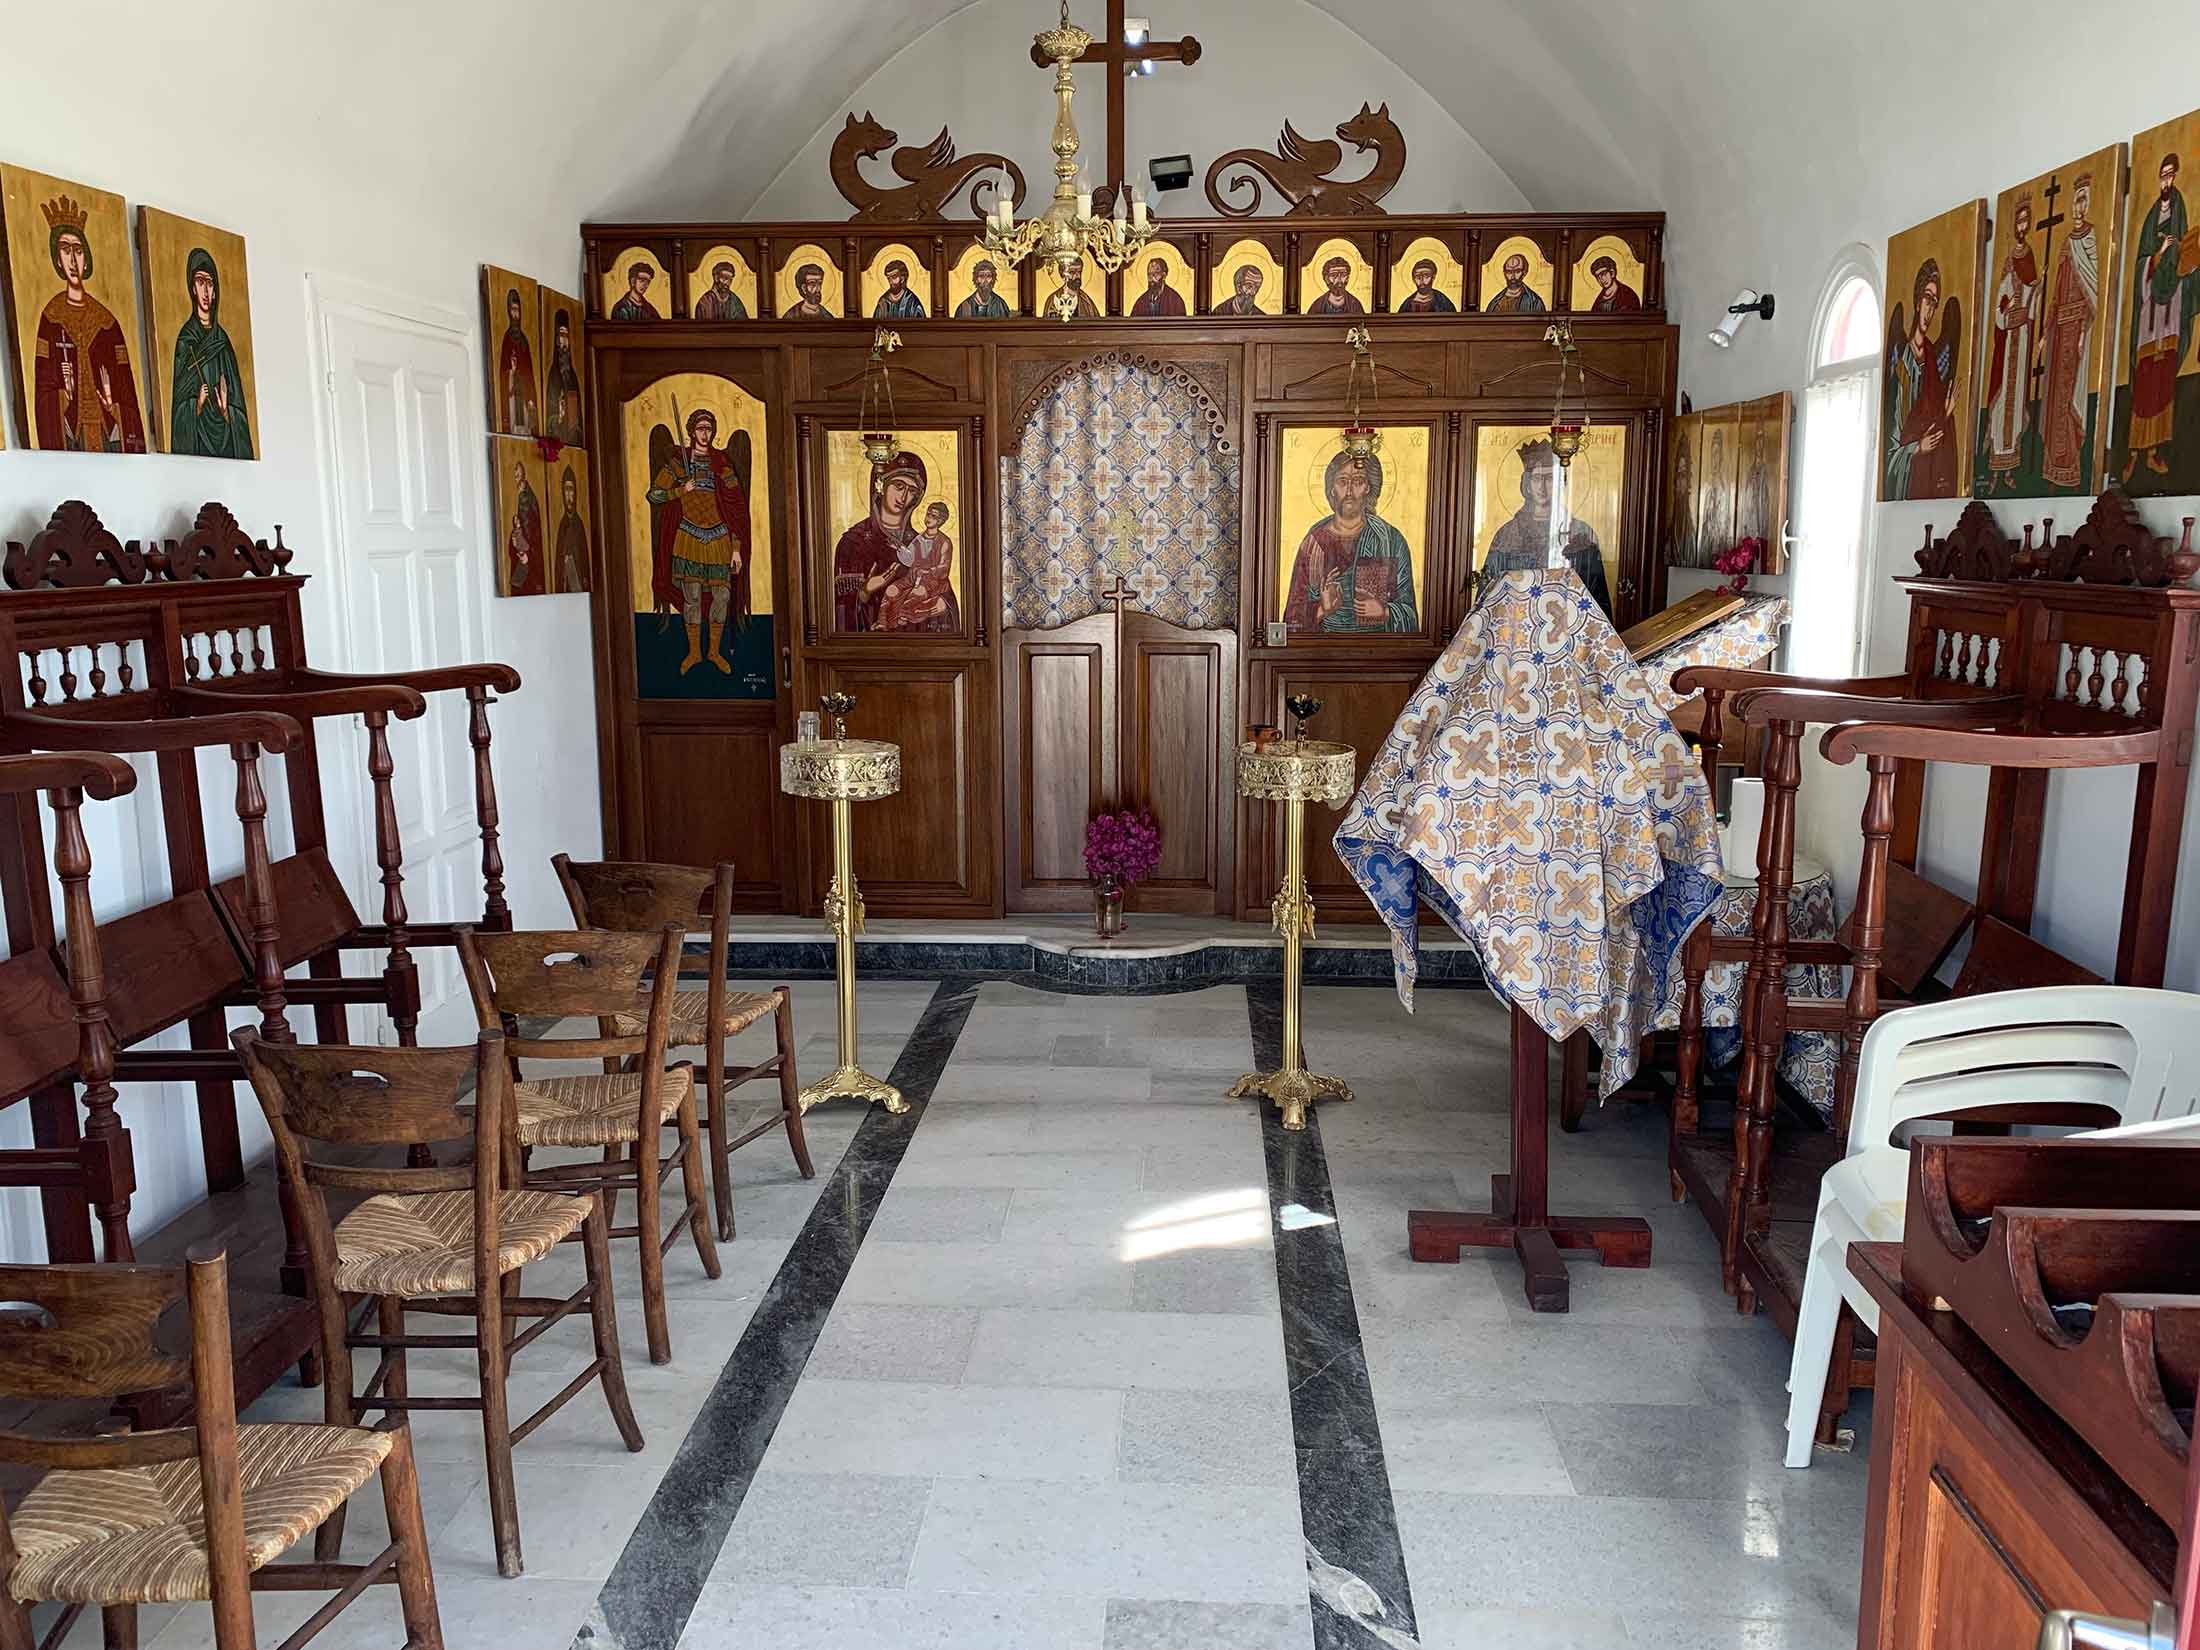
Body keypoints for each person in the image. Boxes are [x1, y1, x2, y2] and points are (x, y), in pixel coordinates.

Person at [31, 194, 145, 452]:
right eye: (65, 250)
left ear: (87, 258)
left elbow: (126, 394)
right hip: (73, 430)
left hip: (107, 430)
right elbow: (43, 393)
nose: (73, 260)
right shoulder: (52, 317)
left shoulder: (106, 321)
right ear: (57, 258)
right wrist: (65, 397)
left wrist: (111, 403)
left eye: (79, 251)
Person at [648, 408, 750, 674]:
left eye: (709, 428)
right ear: (692, 431)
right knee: (691, 596)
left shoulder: (722, 464)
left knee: (722, 595)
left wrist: (736, 549)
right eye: (700, 428)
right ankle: (694, 652)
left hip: (719, 539)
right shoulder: (678, 463)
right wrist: (682, 489)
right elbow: (654, 495)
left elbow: (736, 510)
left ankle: (714, 652)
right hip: (688, 536)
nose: (705, 433)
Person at [1281, 451, 1418, 634]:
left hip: (1378, 653)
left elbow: (1411, 618)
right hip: (1323, 654)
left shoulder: (1390, 540)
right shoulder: (1314, 543)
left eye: (1358, 481)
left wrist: (1385, 612)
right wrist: (1323, 609)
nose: (1349, 492)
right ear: (1331, 488)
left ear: (1369, 488)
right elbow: (1290, 623)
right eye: (1342, 481)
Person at [2125, 152, 2198, 480]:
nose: (2167, 181)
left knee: (2164, 378)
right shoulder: (2151, 217)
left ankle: (2154, 452)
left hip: (2169, 315)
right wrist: (2158, 254)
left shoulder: (2179, 208)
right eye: (2163, 175)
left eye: (2171, 175)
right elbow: (2141, 262)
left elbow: (2186, 257)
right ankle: (2132, 453)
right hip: (2148, 315)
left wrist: (2184, 261)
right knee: (2142, 380)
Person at [1480, 437, 1612, 617]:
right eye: (1536, 478)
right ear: (1527, 483)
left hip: (1566, 624)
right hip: (1517, 625)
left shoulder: (1580, 532)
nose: (1542, 487)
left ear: (1560, 482)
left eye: (1549, 478)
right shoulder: (1508, 533)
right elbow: (1488, 594)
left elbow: (1596, 596)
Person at [2040, 172, 2101, 489]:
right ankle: (2052, 465)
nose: (2078, 207)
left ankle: (2070, 466)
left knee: (2070, 397)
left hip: (2077, 330)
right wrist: (2045, 333)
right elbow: (2056, 292)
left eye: (2083, 199)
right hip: (2059, 330)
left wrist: (2081, 334)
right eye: (2075, 199)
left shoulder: (2091, 241)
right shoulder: (2065, 243)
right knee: (2053, 399)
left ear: (2089, 203)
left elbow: (2093, 292)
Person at [1884, 257, 1962, 499]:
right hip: (1910, 475)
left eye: (1935, 302)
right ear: (1918, 301)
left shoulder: (1932, 360)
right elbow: (1890, 447)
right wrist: (1918, 448)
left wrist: (1946, 414)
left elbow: (1932, 422)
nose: (1931, 308)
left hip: (1927, 472)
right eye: (1928, 298)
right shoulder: (1901, 363)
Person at [167, 246, 252, 458]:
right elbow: (178, 407)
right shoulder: (186, 341)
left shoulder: (222, 342)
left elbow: (239, 409)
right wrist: (197, 404)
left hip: (226, 440)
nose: (205, 291)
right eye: (200, 282)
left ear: (215, 292)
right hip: (197, 438)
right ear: (192, 288)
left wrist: (226, 411)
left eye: (210, 284)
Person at [833, 449, 927, 632]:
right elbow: (839, 610)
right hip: (869, 650)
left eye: (912, 491)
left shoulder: (920, 544)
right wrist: (865, 591)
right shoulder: (853, 543)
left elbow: (943, 596)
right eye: (898, 486)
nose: (903, 497)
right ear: (880, 485)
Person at [1982, 196, 2038, 490]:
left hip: (2023, 338)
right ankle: (1993, 471)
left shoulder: (2030, 259)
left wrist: (2030, 296)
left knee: (2016, 407)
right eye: (2018, 221)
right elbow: (1997, 307)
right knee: (2002, 403)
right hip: (2007, 345)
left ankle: (2009, 470)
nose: (2022, 226)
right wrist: (2007, 308)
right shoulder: (2007, 262)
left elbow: (2034, 297)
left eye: (2026, 221)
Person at [877, 500, 961, 632]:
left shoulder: (944, 542)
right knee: (891, 589)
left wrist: (927, 572)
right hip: (913, 576)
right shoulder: (918, 539)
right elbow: (909, 560)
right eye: (928, 514)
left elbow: (944, 568)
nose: (928, 518)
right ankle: (882, 622)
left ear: (940, 521)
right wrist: (899, 548)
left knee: (916, 594)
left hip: (932, 580)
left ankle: (902, 617)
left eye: (933, 516)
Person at [497, 287, 537, 436]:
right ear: (508, 311)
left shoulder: (524, 340)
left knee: (527, 424)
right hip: (512, 392)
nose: (515, 314)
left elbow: (530, 371)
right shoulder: (506, 338)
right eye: (513, 309)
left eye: (518, 310)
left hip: (525, 391)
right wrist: (512, 371)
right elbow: (502, 371)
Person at [504, 459, 544, 597]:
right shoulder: (516, 496)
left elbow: (531, 531)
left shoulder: (527, 498)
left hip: (528, 555)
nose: (517, 481)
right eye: (515, 476)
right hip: (521, 553)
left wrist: (526, 553)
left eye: (519, 476)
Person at [543, 308, 584, 444]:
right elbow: (549, 414)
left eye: (567, 336)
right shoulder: (553, 374)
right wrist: (559, 418)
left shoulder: (572, 374)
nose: (564, 340)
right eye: (561, 334)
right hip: (559, 435)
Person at [552, 462, 590, 594]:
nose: (569, 495)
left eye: (571, 490)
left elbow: (584, 557)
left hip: (577, 582)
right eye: (566, 490)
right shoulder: (562, 525)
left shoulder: (579, 524)